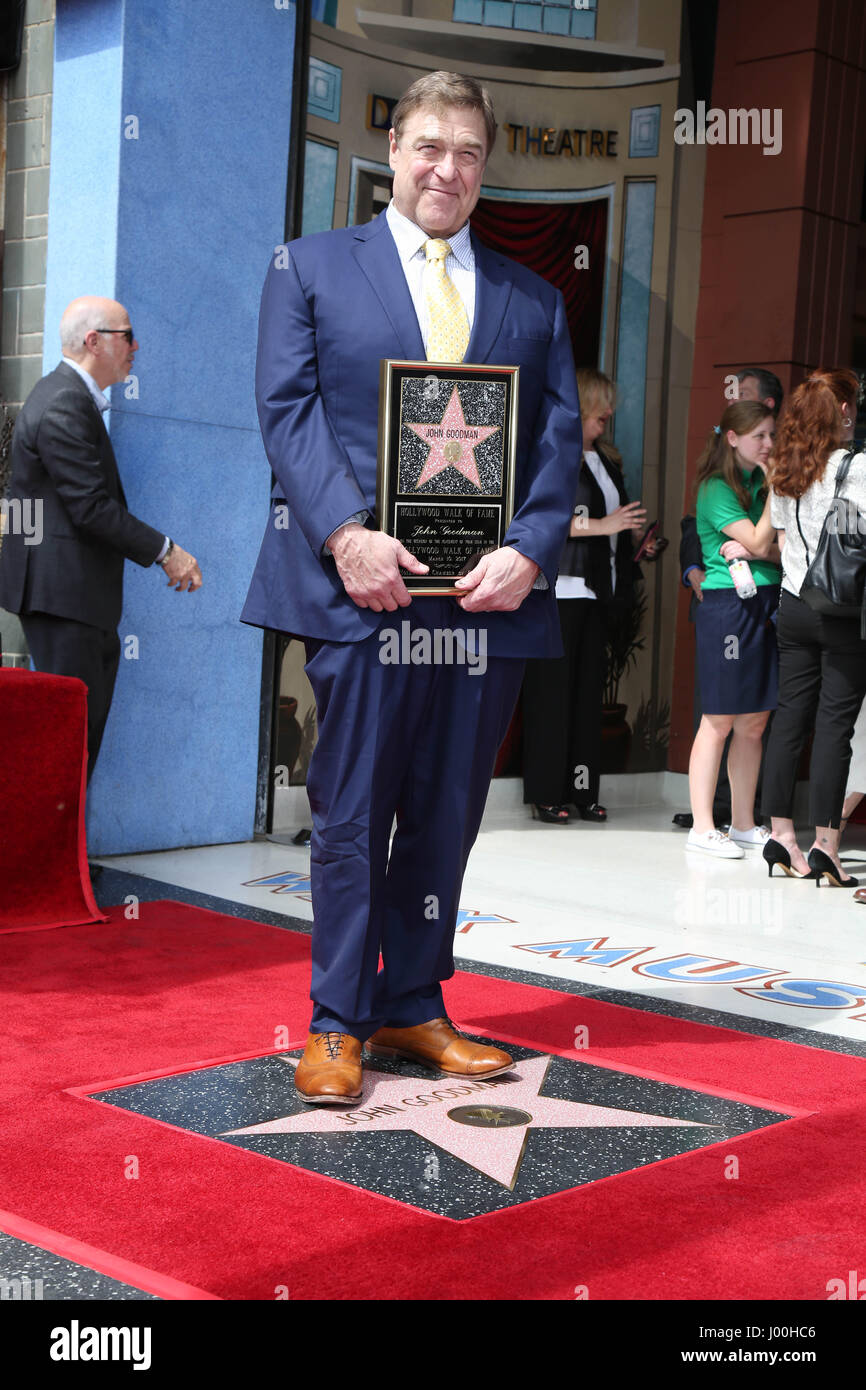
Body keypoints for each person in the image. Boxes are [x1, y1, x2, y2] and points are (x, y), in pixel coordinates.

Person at [243, 71, 581, 1104]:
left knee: (445, 812)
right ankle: (336, 1019)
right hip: (360, 595)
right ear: (393, 149)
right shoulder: (307, 268)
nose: (448, 168)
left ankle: (413, 1003)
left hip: (481, 606)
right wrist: (345, 534)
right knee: (350, 807)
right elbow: (287, 409)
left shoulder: (533, 299)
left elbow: (555, 437)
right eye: (429, 146)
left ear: (484, 165)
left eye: (469, 152)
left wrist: (527, 548)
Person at [0, 297, 202, 782]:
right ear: (94, 341)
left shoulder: (67, 397)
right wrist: (167, 552)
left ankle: (70, 858)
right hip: (63, 600)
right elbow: (90, 507)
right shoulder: (64, 401)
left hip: (71, 599)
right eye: (126, 335)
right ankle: (60, 860)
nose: (136, 345)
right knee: (66, 742)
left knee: (74, 740)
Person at [521, 368, 655, 824]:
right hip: (556, 591)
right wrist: (604, 526)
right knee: (551, 697)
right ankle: (546, 792)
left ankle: (582, 789)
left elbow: (612, 522)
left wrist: (634, 543)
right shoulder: (551, 456)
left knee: (585, 699)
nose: (610, 414)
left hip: (598, 591)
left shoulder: (607, 460)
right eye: (602, 405)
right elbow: (543, 521)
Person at [761, 368, 866, 887]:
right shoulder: (861, 467)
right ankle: (827, 844)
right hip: (844, 610)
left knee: (789, 719)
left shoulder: (786, 466)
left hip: (794, 602)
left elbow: (781, 543)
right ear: (844, 411)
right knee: (834, 729)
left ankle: (781, 834)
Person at [674, 367, 784, 830]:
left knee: (754, 722)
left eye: (772, 435)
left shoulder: (760, 486)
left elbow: (785, 548)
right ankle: (704, 827)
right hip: (727, 608)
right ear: (734, 438)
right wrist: (764, 540)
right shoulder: (717, 488)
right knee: (718, 719)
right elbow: (763, 545)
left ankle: (742, 824)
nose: (769, 445)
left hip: (766, 602)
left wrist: (765, 544)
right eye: (760, 436)